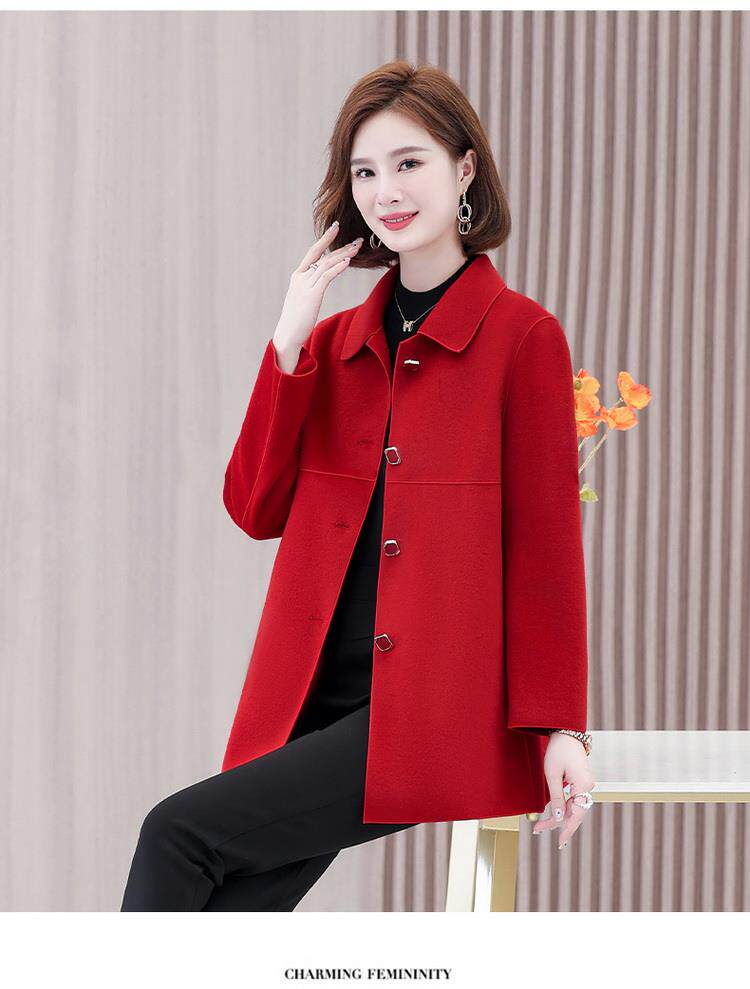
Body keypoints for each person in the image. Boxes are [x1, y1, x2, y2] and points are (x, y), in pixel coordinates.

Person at [121, 60, 595, 912]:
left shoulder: (523, 339)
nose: (386, 192)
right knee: (225, 913)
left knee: (177, 835)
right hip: (308, 697)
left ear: (465, 169)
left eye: (410, 163)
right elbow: (254, 507)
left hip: (427, 710)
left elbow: (545, 548)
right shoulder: (333, 345)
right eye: (366, 171)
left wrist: (561, 725)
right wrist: (288, 345)